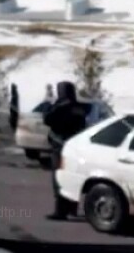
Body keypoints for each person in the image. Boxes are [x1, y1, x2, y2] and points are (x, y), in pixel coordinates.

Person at [43, 81, 88, 220]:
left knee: (59, 178)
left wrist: (48, 104)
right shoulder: (79, 107)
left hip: (60, 146)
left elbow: (47, 119)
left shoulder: (61, 106)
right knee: (72, 178)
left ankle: (60, 212)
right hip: (75, 148)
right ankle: (72, 210)